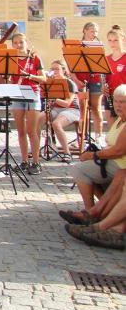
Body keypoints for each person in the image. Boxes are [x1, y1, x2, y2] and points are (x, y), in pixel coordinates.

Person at [61, 85, 126, 244]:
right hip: (118, 164)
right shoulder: (118, 120)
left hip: (118, 162)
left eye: (122, 102)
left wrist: (95, 154)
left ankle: (102, 224)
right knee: (121, 175)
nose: (118, 105)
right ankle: (97, 217)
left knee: (121, 176)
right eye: (116, 101)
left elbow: (119, 150)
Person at [9, 33, 46, 175]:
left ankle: (36, 162)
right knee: (20, 130)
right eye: (16, 43)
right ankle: (24, 161)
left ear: (26, 43)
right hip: (17, 93)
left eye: (21, 42)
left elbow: (43, 78)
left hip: (32, 93)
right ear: (12, 44)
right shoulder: (11, 59)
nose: (19, 45)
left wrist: (30, 76)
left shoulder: (34, 58)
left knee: (32, 130)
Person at [76, 22, 105, 145]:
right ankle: (81, 138)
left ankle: (99, 137)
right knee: (82, 110)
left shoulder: (98, 46)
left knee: (96, 109)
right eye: (92, 31)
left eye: (96, 31)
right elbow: (71, 66)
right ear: (85, 31)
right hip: (81, 81)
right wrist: (76, 81)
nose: (95, 34)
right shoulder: (77, 46)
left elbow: (102, 66)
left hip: (95, 80)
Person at [48, 60, 82, 162]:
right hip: (56, 108)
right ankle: (46, 148)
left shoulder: (69, 83)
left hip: (71, 109)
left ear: (63, 70)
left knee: (56, 123)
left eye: (57, 69)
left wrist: (54, 99)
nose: (54, 71)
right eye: (52, 69)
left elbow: (67, 103)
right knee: (39, 118)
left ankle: (67, 153)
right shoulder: (51, 82)